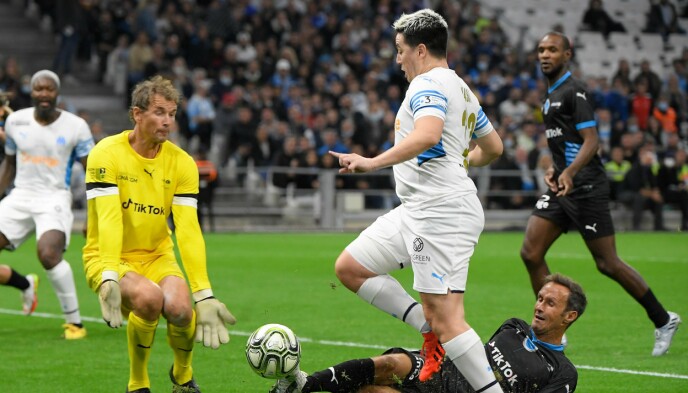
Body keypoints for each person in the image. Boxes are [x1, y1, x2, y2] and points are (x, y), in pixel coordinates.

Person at [329, 9, 505, 393]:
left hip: (441, 213)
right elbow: (493, 147)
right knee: (351, 267)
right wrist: (462, 160)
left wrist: (371, 162)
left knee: (449, 318)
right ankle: (429, 332)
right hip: (419, 209)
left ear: (420, 50)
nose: (398, 60)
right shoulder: (460, 87)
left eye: (400, 50)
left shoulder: (426, 85)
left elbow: (427, 134)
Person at [519, 32, 681, 357]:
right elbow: (564, 142)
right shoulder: (549, 96)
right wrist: (555, 168)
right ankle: (553, 334)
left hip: (587, 187)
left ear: (567, 54)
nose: (545, 55)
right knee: (530, 253)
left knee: (607, 263)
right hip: (562, 185)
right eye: (541, 50)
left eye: (552, 49)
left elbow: (591, 140)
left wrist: (570, 171)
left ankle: (663, 319)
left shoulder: (574, 90)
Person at [83, 75, 236, 393]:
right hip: (108, 257)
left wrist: (203, 294)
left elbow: (188, 230)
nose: (167, 121)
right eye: (159, 112)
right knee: (149, 299)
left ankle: (182, 376)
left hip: (156, 255)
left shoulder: (182, 163)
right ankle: (137, 383)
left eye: (172, 113)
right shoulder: (106, 154)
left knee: (182, 309)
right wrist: (109, 273)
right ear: (137, 114)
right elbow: (109, 220)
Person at [270, 273, 585, 393]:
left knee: (368, 391)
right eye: (540, 298)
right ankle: (305, 384)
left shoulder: (562, 372)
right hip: (441, 371)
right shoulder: (514, 326)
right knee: (391, 363)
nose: (539, 306)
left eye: (551, 303)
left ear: (569, 316)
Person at [0, 69, 92, 339]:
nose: (43, 94)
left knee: (48, 254)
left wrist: (92, 214)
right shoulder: (16, 121)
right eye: (38, 89)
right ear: (32, 91)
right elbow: (9, 166)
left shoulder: (76, 126)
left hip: (54, 197)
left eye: (49, 89)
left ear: (57, 93)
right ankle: (25, 284)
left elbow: (94, 172)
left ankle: (75, 322)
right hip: (20, 196)